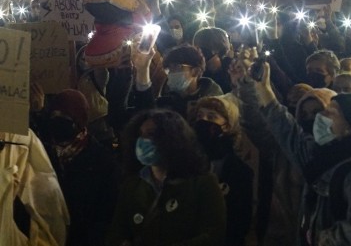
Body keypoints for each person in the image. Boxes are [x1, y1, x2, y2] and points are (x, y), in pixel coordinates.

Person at [238, 60, 351, 245]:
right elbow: (284, 126)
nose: (320, 117)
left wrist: (319, 239)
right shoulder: (317, 156)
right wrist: (262, 88)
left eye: (331, 113)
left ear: (349, 128)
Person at [106, 108, 226, 245]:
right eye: (140, 134)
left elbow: (213, 233)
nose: (142, 140)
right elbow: (116, 232)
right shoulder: (133, 184)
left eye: (150, 134)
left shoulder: (202, 183)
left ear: (172, 139)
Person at [44, 89, 118, 246]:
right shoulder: (44, 152)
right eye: (54, 116)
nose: (57, 121)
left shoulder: (102, 160)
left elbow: (105, 214)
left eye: (65, 117)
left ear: (79, 120)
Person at [191, 96, 254, 246]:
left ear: (227, 125)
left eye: (212, 117)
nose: (203, 120)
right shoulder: (185, 161)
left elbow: (239, 222)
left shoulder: (239, 170)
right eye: (200, 116)